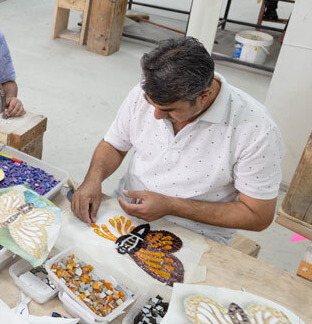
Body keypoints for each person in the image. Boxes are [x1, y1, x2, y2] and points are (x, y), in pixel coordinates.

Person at [70, 37, 284, 245]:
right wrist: (93, 179)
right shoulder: (145, 93)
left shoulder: (257, 130)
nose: (155, 115)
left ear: (204, 95)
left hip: (196, 235)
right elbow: (114, 145)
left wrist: (172, 206)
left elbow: (258, 215)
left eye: (169, 110)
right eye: (151, 103)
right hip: (124, 212)